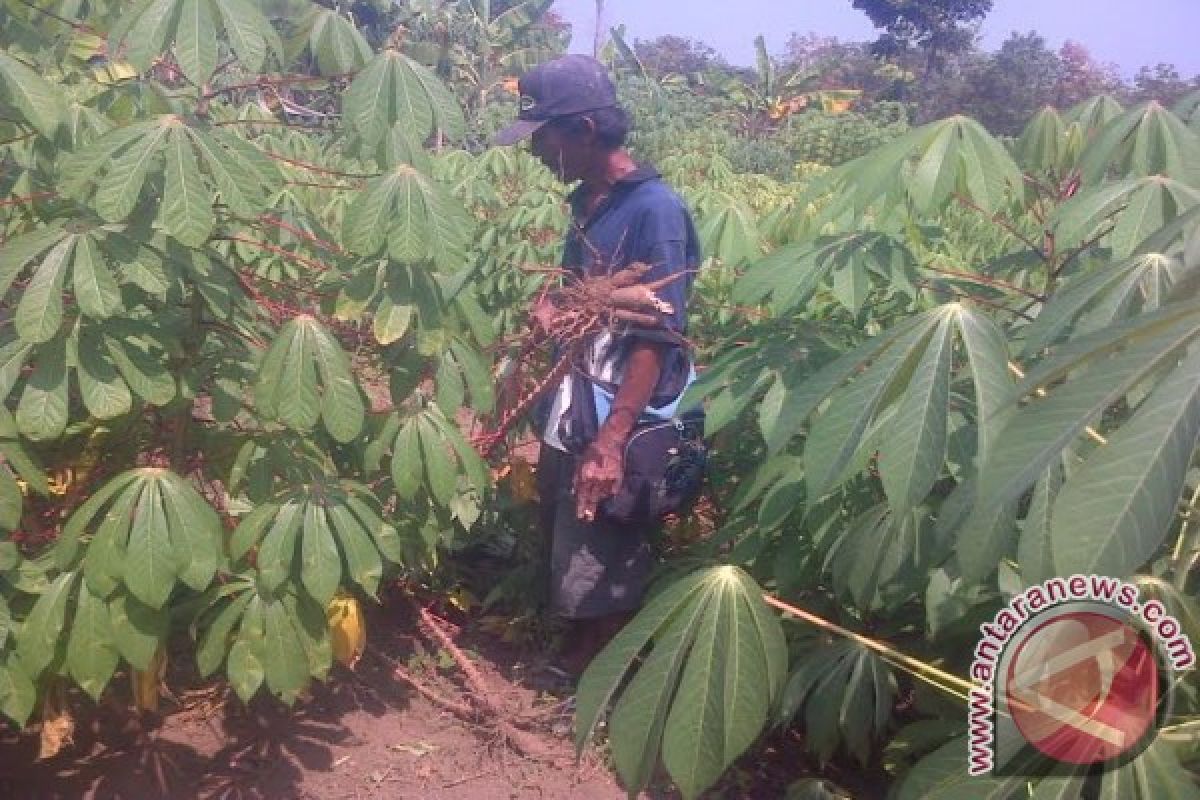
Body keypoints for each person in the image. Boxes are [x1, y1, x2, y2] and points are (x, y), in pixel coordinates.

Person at [493, 55, 701, 675]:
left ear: (584, 130)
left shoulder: (654, 210)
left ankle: (601, 684)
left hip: (619, 411)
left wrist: (614, 440)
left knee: (606, 541)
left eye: (543, 137)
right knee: (572, 536)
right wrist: (551, 303)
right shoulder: (590, 200)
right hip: (576, 403)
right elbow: (583, 293)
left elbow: (659, 335)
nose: (534, 152)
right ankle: (571, 660)